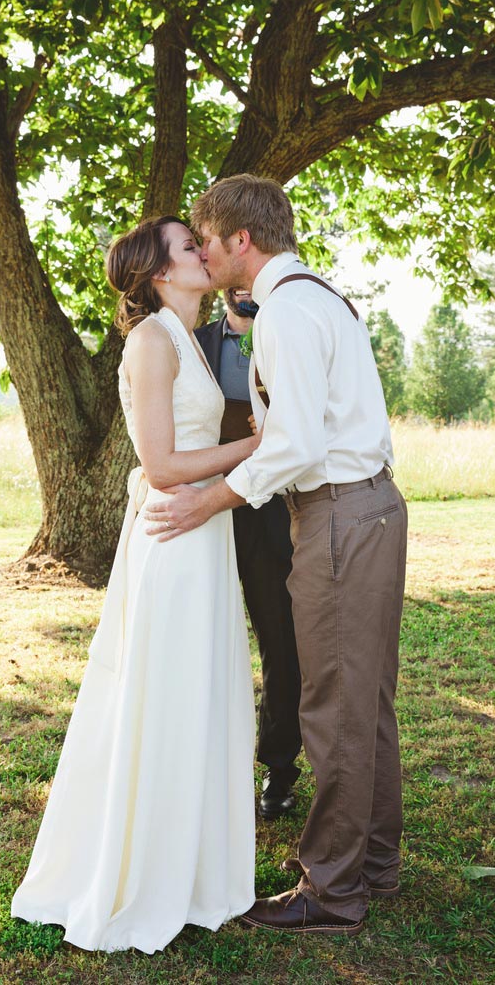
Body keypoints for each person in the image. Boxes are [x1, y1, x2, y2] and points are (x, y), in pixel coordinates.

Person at [145, 176, 408, 937]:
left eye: (207, 238)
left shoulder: (288, 312)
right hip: (371, 508)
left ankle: (331, 889)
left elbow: (296, 442)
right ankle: (375, 864)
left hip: (336, 517)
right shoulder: (311, 297)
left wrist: (214, 497)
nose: (203, 250)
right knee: (367, 701)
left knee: (331, 702)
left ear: (241, 242)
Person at [11, 216, 259, 954]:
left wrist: (247, 322)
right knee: (170, 695)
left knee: (200, 694)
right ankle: (144, 875)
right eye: (190, 247)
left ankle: (191, 870)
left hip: (201, 534)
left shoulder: (192, 336)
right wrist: (263, 444)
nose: (204, 253)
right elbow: (160, 465)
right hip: (175, 536)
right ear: (159, 273)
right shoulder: (151, 341)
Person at [195, 289, 302, 819]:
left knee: (280, 637)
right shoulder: (193, 343)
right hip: (202, 504)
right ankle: (197, 769)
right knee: (200, 642)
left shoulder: (289, 333)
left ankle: (279, 770)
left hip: (268, 505)